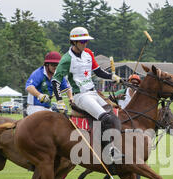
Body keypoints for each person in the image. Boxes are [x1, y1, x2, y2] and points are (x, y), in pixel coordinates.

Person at [51, 27, 123, 162]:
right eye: (82, 41)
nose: (85, 44)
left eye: (86, 41)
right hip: (80, 96)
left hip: (93, 93)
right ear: (74, 42)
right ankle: (108, 152)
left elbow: (98, 72)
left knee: (113, 117)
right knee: (105, 118)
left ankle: (110, 146)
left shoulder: (88, 54)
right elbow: (55, 80)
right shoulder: (67, 59)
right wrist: (60, 100)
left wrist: (112, 77)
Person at [26, 51, 73, 116]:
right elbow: (29, 87)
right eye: (53, 65)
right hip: (34, 107)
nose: (55, 67)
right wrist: (40, 95)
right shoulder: (39, 73)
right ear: (47, 64)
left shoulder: (58, 75)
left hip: (48, 108)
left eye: (57, 65)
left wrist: (71, 98)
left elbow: (67, 88)